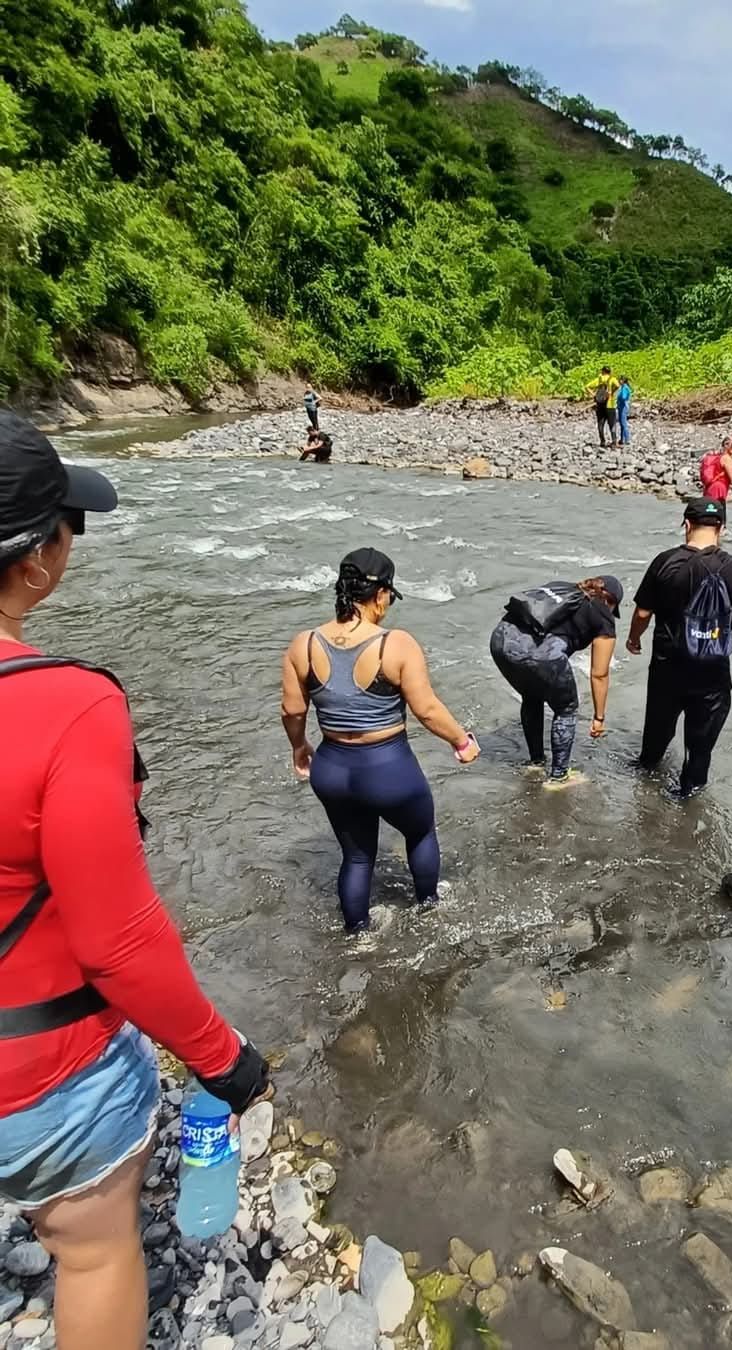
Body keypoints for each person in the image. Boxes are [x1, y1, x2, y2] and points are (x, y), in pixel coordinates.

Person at [0, 413, 269, 1350]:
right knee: (93, 1251)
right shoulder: (68, 704)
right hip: (35, 1075)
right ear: (36, 560)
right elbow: (116, 939)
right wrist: (221, 1056)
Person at [280, 547, 479, 933]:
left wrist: (299, 747)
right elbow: (428, 710)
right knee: (420, 833)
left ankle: (357, 936)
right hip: (387, 768)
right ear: (381, 594)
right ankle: (430, 912)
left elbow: (292, 711)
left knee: (356, 857)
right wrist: (461, 742)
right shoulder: (395, 643)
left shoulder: (303, 644)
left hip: (332, 767)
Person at [627, 498, 732, 799]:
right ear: (722, 529)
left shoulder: (665, 561)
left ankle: (644, 793)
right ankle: (689, 806)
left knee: (655, 738)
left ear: (686, 525)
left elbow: (642, 614)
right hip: (712, 673)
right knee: (699, 748)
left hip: (667, 667)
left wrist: (634, 639)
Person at [490, 576, 622, 789]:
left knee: (531, 695)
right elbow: (599, 673)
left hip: (500, 641)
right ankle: (559, 777)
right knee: (567, 709)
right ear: (610, 600)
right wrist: (599, 717)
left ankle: (535, 762)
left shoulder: (559, 589)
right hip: (541, 656)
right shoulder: (603, 613)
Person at [699, 435, 732, 503]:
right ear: (726, 445)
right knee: (717, 511)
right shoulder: (727, 458)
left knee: (710, 511)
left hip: (710, 489)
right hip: (718, 490)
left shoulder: (720, 457)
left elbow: (729, 480)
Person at [585, 366, 620, 448]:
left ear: (603, 371)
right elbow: (618, 386)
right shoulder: (612, 379)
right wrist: (611, 392)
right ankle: (614, 442)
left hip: (600, 404)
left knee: (600, 424)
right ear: (609, 372)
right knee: (612, 424)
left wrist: (594, 395)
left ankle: (602, 441)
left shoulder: (599, 379)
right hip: (610, 404)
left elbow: (587, 386)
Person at [616, 375, 633, 446]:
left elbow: (624, 397)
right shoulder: (623, 387)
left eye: (620, 380)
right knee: (621, 423)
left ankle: (627, 439)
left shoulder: (625, 388)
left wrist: (619, 397)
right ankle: (622, 439)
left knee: (623, 423)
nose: (619, 381)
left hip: (623, 407)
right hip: (621, 406)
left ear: (623, 381)